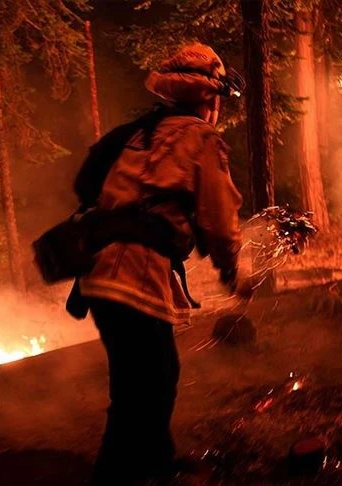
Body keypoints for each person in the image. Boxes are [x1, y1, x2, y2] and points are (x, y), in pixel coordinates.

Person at [73, 44, 247, 483]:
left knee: (144, 379)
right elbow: (219, 219)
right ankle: (118, 477)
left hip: (96, 272)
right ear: (210, 100)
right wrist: (232, 270)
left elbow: (89, 188)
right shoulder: (201, 138)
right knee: (147, 386)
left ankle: (157, 465)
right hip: (132, 274)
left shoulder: (139, 133)